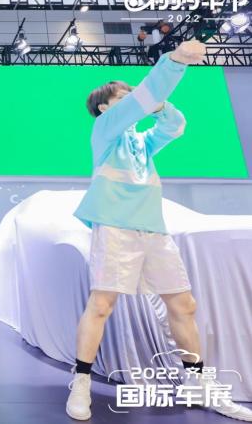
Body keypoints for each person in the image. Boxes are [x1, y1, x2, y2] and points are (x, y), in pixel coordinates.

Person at [66, 40, 252, 421]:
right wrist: (174, 61)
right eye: (124, 97)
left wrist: (161, 105)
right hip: (115, 227)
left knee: (184, 305)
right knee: (101, 305)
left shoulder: (142, 144)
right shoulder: (105, 129)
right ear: (105, 107)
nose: (133, 101)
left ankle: (197, 384)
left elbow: (175, 125)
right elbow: (143, 99)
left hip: (153, 230)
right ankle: (81, 380)